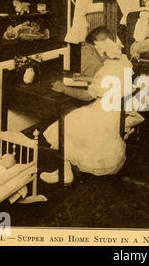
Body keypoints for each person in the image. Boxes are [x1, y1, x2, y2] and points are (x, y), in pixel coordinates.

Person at [40, 26, 133, 185]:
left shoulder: (106, 70)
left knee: (62, 125)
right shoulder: (123, 62)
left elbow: (86, 96)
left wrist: (64, 89)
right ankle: (66, 168)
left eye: (94, 50)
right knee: (72, 116)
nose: (94, 54)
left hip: (101, 115)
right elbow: (110, 82)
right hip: (114, 112)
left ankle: (64, 171)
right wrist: (86, 78)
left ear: (101, 49)